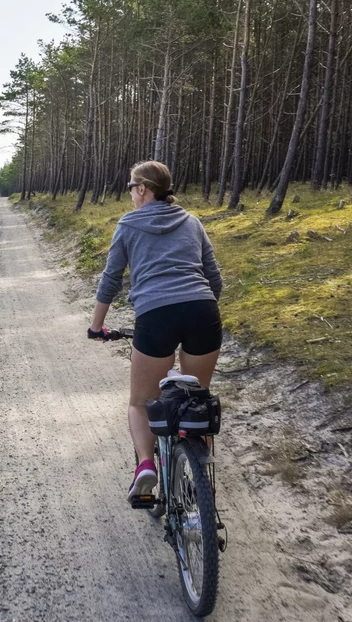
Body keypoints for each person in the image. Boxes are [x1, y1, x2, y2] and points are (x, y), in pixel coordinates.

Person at [87, 160, 223, 501]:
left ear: (143, 189)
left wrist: (96, 326)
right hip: (203, 311)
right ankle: (199, 482)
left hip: (156, 315)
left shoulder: (128, 224)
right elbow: (214, 277)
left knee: (141, 403)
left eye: (132, 187)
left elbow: (111, 280)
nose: (131, 194)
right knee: (198, 400)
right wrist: (200, 308)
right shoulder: (192, 222)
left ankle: (146, 466)